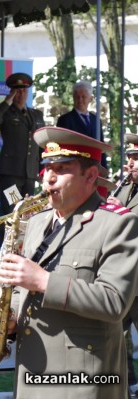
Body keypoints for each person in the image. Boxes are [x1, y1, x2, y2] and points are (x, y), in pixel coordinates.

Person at [0, 126, 138, 398]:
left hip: (83, 381)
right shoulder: (36, 222)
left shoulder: (118, 224)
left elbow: (114, 302)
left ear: (91, 176)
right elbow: (20, 286)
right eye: (47, 169)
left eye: (61, 169)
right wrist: (8, 318)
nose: (49, 178)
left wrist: (43, 281)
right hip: (32, 374)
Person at [0, 72, 45, 242]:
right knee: (12, 210)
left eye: (24, 91)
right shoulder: (6, 112)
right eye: (17, 91)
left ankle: (23, 249)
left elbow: (41, 144)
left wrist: (42, 170)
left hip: (29, 174)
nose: (21, 94)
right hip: (10, 175)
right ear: (11, 93)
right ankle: (7, 250)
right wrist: (7, 101)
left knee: (28, 212)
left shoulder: (36, 115)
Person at [107, 133, 138, 394]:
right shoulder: (125, 187)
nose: (131, 163)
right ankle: (127, 386)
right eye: (130, 157)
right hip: (122, 279)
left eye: (137, 158)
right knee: (118, 337)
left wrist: (122, 213)